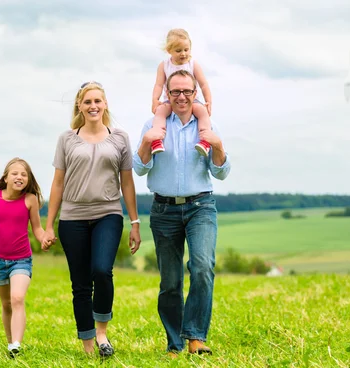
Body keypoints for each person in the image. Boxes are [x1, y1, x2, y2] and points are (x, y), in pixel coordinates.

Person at [133, 70, 231, 356]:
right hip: (163, 209)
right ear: (167, 94)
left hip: (201, 206)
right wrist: (145, 142)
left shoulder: (208, 126)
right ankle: (174, 343)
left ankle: (196, 337)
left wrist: (218, 146)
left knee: (202, 267)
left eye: (187, 91)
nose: (181, 97)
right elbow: (139, 169)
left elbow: (221, 172)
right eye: (175, 92)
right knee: (170, 281)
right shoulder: (153, 125)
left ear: (194, 94)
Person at [45, 81, 141, 357]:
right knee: (81, 283)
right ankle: (88, 345)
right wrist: (49, 224)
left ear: (105, 104)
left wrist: (134, 223)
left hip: (108, 213)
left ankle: (102, 333)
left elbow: (127, 183)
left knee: (102, 270)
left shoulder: (120, 138)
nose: (93, 106)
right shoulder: (67, 139)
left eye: (98, 101)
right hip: (72, 217)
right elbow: (58, 183)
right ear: (80, 106)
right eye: (87, 102)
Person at [0, 157, 54, 357]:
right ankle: (10, 344)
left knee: (17, 298)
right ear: (6, 178)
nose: (19, 177)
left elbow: (37, 229)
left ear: (28, 179)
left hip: (21, 260)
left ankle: (16, 344)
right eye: (15, 173)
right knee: (6, 304)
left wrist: (44, 240)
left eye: (24, 174)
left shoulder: (30, 200)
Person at [150, 28, 213, 156]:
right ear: (169, 51)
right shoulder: (164, 65)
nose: (183, 54)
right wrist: (155, 100)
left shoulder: (193, 64)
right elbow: (158, 85)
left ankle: (205, 141)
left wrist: (208, 101)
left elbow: (204, 84)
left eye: (186, 49)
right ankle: (157, 140)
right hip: (170, 101)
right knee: (160, 112)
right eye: (178, 51)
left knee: (202, 112)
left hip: (191, 101)